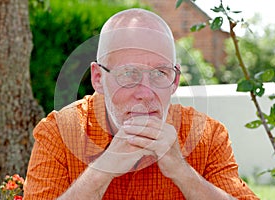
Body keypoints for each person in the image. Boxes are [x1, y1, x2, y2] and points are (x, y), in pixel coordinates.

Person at [23, 8, 258, 200]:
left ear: (175, 80)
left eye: (160, 73)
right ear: (98, 78)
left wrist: (182, 172)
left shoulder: (208, 136)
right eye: (128, 74)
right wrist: (102, 170)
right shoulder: (59, 133)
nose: (146, 93)